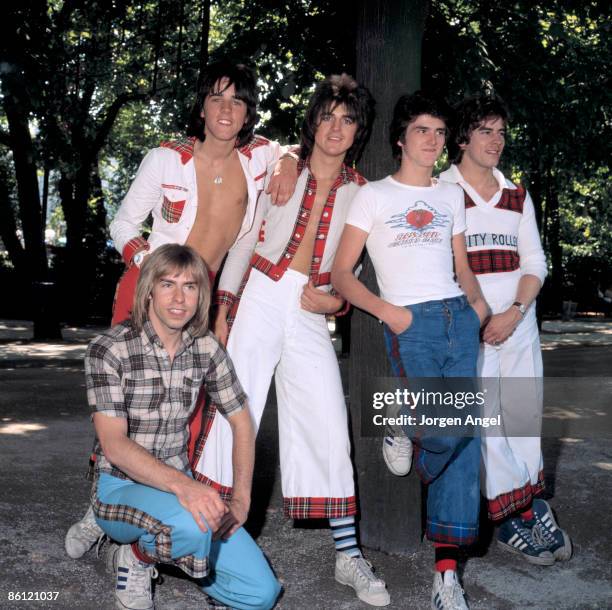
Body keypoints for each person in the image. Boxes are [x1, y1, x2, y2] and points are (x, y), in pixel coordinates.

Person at [65, 59, 298, 560]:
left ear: (247, 110)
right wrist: (156, 271)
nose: (226, 108)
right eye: (216, 97)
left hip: (202, 297)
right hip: (149, 285)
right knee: (124, 404)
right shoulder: (166, 159)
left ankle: (158, 512)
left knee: (186, 411)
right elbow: (123, 225)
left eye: (237, 100)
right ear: (201, 106)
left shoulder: (258, 159)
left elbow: (286, 155)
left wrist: (288, 161)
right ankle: (100, 503)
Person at [193, 74, 390, 607]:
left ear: (358, 131)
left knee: (328, 417)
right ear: (312, 120)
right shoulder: (281, 168)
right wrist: (225, 307)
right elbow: (242, 241)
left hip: (309, 307)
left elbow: (356, 271)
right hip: (258, 293)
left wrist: (337, 303)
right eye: (327, 115)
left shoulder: (362, 193)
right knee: (238, 415)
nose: (335, 128)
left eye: (347, 120)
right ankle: (216, 549)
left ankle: (348, 554)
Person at [331, 91, 489, 610]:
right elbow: (341, 274)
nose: (433, 140)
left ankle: (446, 575)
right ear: (401, 138)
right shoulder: (374, 195)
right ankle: (403, 425)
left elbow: (461, 262)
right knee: (456, 428)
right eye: (423, 130)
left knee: (465, 444)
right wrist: (390, 313)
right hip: (411, 322)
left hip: (457, 319)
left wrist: (477, 306)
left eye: (441, 132)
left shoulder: (449, 195)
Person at [84, 244, 280, 610]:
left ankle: (178, 547)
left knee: (261, 594)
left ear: (200, 295)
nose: (179, 297)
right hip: (119, 486)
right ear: (149, 291)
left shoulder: (206, 347)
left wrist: (241, 499)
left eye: (190, 286)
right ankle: (137, 557)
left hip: (176, 489)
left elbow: (241, 420)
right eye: (168, 284)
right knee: (193, 523)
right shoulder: (109, 349)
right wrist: (189, 489)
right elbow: (114, 445)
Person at [440, 93, 571, 565]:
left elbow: (535, 261)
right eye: (485, 131)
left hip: (517, 323)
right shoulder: (441, 191)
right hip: (470, 327)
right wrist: (478, 316)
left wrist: (515, 310)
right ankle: (513, 516)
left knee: (520, 417)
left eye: (501, 132)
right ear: (462, 137)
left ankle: (533, 506)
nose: (496, 141)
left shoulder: (516, 194)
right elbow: (438, 267)